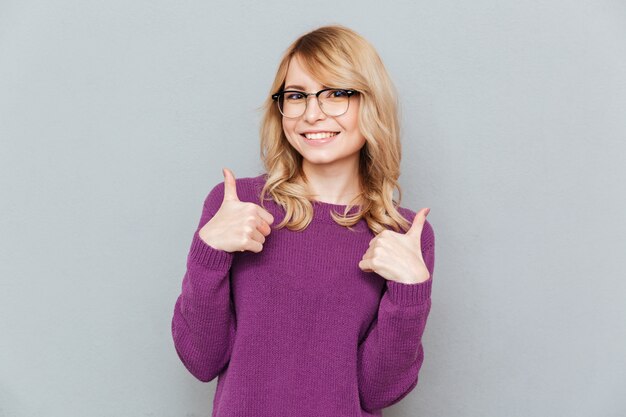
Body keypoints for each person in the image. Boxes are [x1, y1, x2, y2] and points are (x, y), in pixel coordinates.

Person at [171, 24, 435, 417]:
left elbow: (377, 391)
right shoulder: (238, 206)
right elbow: (202, 360)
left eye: (336, 94)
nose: (312, 114)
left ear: (371, 103)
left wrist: (411, 297)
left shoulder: (402, 234)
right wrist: (207, 253)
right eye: (297, 96)